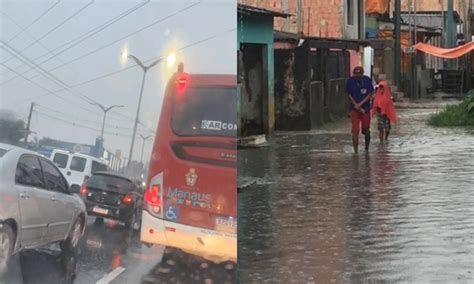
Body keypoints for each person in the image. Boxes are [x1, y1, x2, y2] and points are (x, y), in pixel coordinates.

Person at [346, 66, 374, 153]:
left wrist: (360, 105)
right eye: (356, 74)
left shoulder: (367, 80)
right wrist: (356, 105)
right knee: (355, 130)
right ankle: (356, 151)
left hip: (365, 108)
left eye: (359, 74)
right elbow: (348, 94)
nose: (357, 76)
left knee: (366, 130)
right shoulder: (350, 81)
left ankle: (366, 148)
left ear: (362, 74)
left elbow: (370, 93)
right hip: (354, 109)